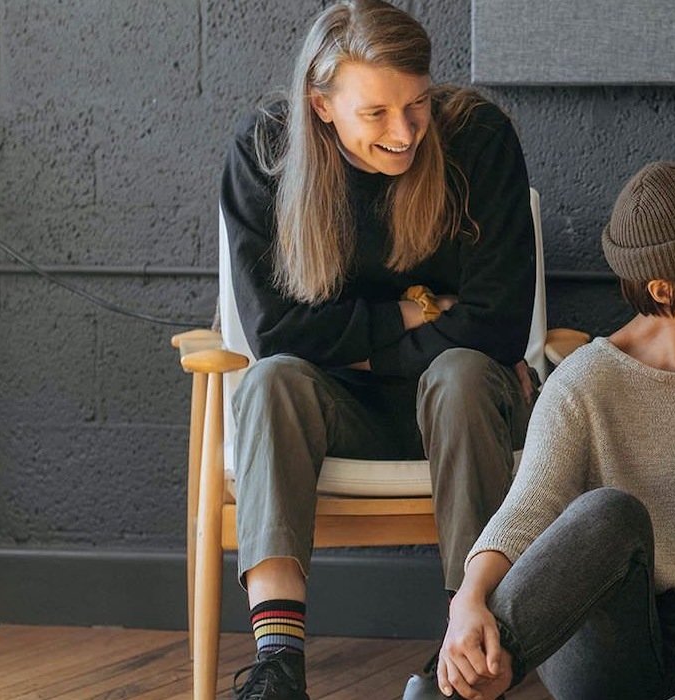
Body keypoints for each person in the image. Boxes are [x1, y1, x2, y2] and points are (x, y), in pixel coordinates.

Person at [404, 161, 675, 700]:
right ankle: (454, 691)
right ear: (663, 289)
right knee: (607, 512)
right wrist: (467, 601)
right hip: (608, 644)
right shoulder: (583, 384)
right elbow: (526, 511)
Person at [218, 1, 536, 697]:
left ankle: (468, 641)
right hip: (340, 413)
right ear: (322, 106)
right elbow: (276, 332)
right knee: (271, 382)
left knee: (460, 374)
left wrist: (354, 344)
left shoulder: (478, 138)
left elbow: (498, 326)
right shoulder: (265, 152)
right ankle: (277, 664)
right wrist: (415, 310)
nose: (404, 132)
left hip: (467, 410)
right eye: (376, 113)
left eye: (417, 105)